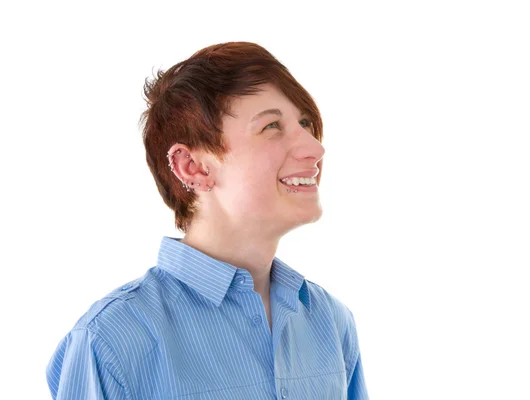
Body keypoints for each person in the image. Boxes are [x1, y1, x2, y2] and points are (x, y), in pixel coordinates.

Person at [46, 41, 369, 399]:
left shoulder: (331, 323)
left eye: (305, 123)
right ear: (193, 167)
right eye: (272, 126)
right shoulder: (110, 341)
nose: (315, 148)